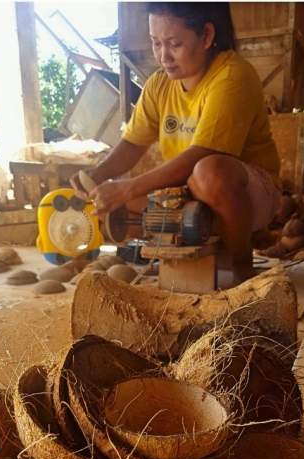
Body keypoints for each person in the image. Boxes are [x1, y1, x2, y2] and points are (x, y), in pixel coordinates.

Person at [70, 2, 281, 284]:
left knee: (209, 173)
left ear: (206, 36)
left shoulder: (232, 76)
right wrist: (97, 175)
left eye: (174, 44)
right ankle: (175, 253)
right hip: (191, 191)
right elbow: (132, 144)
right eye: (156, 43)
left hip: (251, 195)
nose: (163, 56)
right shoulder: (158, 85)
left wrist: (128, 187)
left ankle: (242, 265)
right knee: (114, 200)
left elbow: (203, 154)